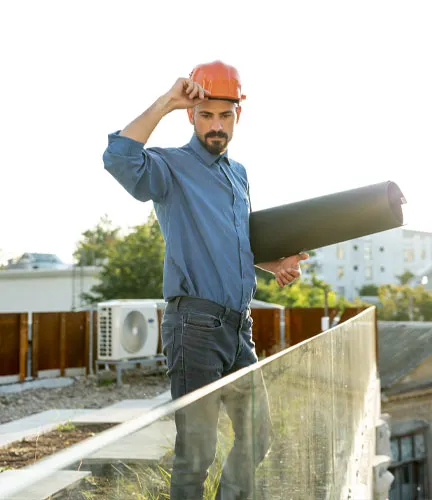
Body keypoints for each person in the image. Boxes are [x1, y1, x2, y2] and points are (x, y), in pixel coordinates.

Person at [103, 60, 309, 499]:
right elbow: (118, 157)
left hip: (239, 328)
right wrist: (166, 102)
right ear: (190, 116)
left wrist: (274, 265)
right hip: (194, 326)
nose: (216, 125)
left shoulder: (239, 175)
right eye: (205, 114)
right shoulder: (171, 167)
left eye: (225, 115)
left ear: (239, 116)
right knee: (196, 454)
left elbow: (235, 243)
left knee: (257, 435)